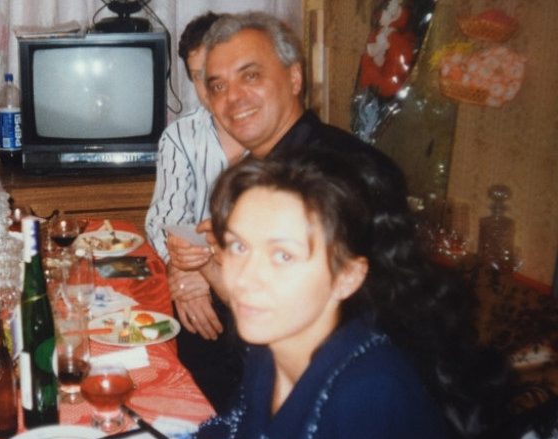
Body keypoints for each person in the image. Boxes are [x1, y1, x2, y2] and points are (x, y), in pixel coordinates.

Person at [167, 11, 411, 414]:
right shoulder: (255, 170)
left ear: (295, 78)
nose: (232, 98)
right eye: (217, 85)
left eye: (250, 76)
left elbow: (343, 331)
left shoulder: (344, 171)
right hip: (254, 382)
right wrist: (200, 263)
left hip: (323, 404)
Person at [189, 151, 463, 439]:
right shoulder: (274, 342)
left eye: (283, 255)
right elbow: (230, 424)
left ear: (347, 277)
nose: (245, 279)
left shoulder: (368, 397)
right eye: (239, 246)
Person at [143, 12, 247, 414]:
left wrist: (198, 269)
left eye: (215, 75)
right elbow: (165, 217)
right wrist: (185, 270)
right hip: (201, 288)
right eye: (198, 78)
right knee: (189, 342)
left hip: (262, 281)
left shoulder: (269, 130)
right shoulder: (181, 136)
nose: (210, 89)